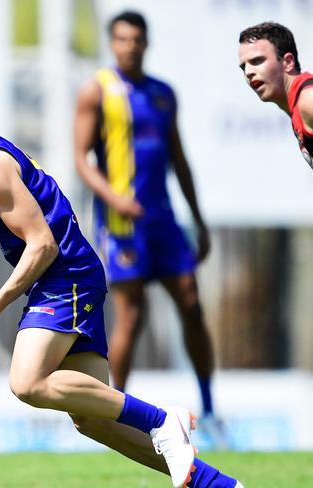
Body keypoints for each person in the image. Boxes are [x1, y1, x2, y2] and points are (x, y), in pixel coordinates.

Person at [0, 50, 242, 488]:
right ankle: (218, 486)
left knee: (27, 382)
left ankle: (164, 420)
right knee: (94, 420)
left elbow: (42, 244)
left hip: (64, 275)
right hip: (67, 275)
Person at [72, 10, 225, 444]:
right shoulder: (97, 91)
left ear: (146, 42)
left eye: (137, 39)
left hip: (164, 221)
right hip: (122, 224)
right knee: (132, 316)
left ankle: (210, 410)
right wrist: (115, 197)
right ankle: (114, 411)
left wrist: (197, 218)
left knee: (192, 305)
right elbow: (82, 159)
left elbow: (179, 159)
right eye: (122, 39)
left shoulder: (162, 94)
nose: (130, 46)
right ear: (112, 42)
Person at [239, 22, 313, 169]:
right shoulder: (297, 103)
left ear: (288, 62)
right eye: (243, 67)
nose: (248, 73)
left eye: (257, 61)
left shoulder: (308, 100)